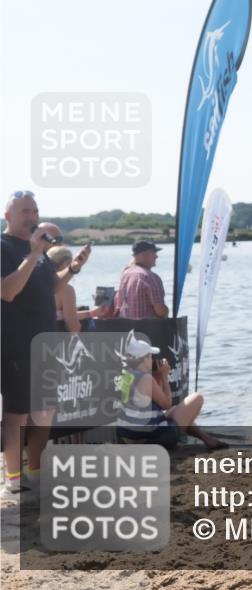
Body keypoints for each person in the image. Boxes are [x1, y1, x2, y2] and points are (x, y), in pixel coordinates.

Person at [1, 192, 90, 499]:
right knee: (17, 414)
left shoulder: (37, 250)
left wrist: (73, 268)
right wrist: (33, 254)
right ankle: (13, 480)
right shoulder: (4, 247)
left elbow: (51, 287)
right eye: (26, 211)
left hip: (45, 345)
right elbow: (8, 291)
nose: (32, 216)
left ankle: (36, 473)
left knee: (44, 412)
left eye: (35, 211)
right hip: (15, 344)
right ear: (8, 215)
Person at [116, 336, 224, 449]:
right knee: (197, 398)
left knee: (175, 410)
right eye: (151, 357)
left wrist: (158, 376)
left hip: (127, 436)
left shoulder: (126, 375)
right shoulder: (146, 379)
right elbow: (166, 404)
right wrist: (164, 376)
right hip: (149, 439)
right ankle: (206, 440)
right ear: (144, 359)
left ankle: (207, 439)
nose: (153, 360)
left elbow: (155, 404)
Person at [114, 241, 168, 320]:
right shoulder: (150, 277)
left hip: (127, 326)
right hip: (147, 326)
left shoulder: (125, 274)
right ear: (143, 254)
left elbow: (118, 306)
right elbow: (161, 311)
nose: (156, 256)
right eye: (154, 252)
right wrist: (166, 311)